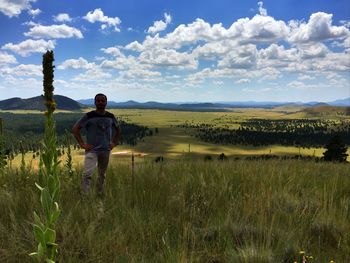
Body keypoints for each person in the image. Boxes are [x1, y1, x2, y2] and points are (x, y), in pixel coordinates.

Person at [73, 93, 121, 194]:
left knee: (102, 174)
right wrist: (82, 144)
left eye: (102, 101)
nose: (100, 103)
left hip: (105, 150)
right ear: (95, 102)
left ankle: (99, 193)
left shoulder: (110, 116)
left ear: (106, 102)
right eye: (98, 101)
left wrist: (113, 143)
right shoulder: (89, 116)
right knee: (87, 174)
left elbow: (118, 130)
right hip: (92, 150)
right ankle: (85, 195)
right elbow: (75, 129)